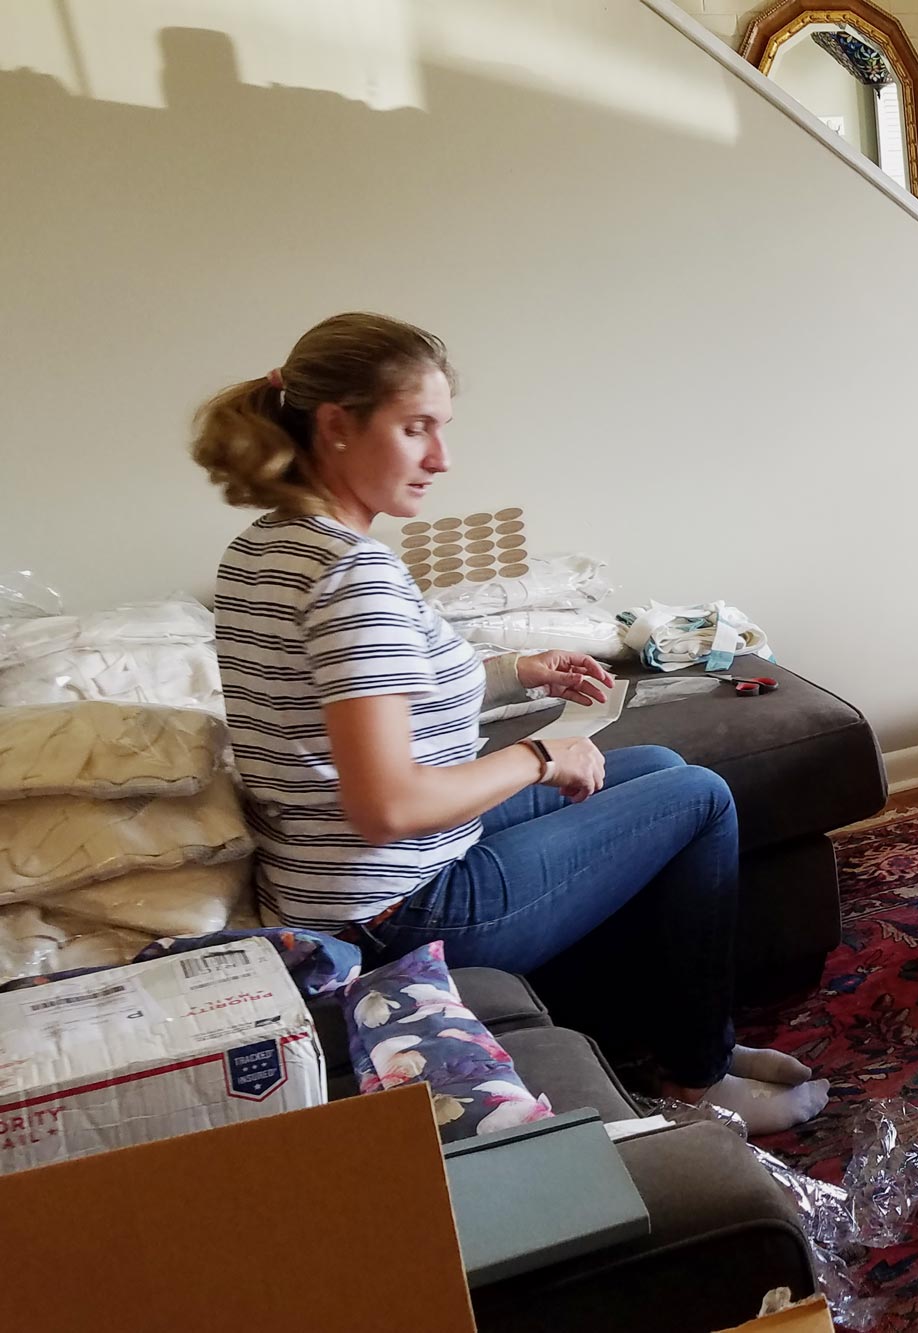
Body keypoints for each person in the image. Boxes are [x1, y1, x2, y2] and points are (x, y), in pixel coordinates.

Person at [191, 312, 828, 1133]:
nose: (441, 458)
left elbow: (365, 694)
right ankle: (700, 1078)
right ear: (336, 424)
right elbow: (384, 805)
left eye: (442, 429)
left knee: (661, 767)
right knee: (701, 797)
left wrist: (513, 671)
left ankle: (684, 1024)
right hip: (399, 911)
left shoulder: (267, 548)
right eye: (415, 428)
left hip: (340, 890)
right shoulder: (353, 576)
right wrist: (537, 753)